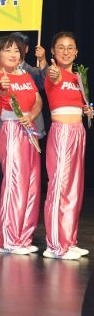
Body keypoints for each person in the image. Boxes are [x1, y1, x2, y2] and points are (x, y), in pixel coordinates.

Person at [0, 31, 46, 228]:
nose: (13, 54)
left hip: (30, 130)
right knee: (14, 180)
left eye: (16, 50)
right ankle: (10, 235)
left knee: (31, 182)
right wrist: (2, 85)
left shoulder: (26, 75)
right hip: (11, 131)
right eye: (7, 50)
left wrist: (31, 116)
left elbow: (37, 100)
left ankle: (24, 234)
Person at [43, 31, 92, 259]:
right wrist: (50, 69)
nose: (66, 51)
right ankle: (55, 245)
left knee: (74, 189)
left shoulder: (79, 78)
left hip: (78, 132)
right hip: (62, 133)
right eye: (61, 47)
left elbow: (79, 104)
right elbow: (52, 75)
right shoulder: (53, 72)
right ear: (53, 51)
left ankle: (69, 241)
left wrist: (87, 109)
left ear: (76, 52)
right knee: (59, 187)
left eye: (70, 47)